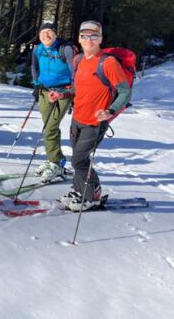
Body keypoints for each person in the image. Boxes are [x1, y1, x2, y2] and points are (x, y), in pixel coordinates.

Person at [59, 20, 131, 211]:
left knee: (78, 160)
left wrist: (110, 111)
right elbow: (77, 88)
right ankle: (78, 191)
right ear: (79, 38)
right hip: (77, 118)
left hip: (95, 123)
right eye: (84, 36)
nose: (88, 40)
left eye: (93, 36)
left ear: (100, 39)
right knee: (78, 159)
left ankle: (92, 195)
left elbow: (125, 92)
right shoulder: (78, 60)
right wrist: (62, 94)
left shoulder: (108, 63)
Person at [30, 22, 76, 182]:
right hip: (44, 91)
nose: (46, 35)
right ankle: (54, 160)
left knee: (50, 128)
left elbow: (75, 71)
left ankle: (56, 163)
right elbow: (34, 66)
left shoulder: (65, 49)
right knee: (49, 127)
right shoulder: (38, 49)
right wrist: (36, 85)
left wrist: (73, 92)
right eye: (43, 33)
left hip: (63, 92)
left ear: (55, 33)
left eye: (49, 32)